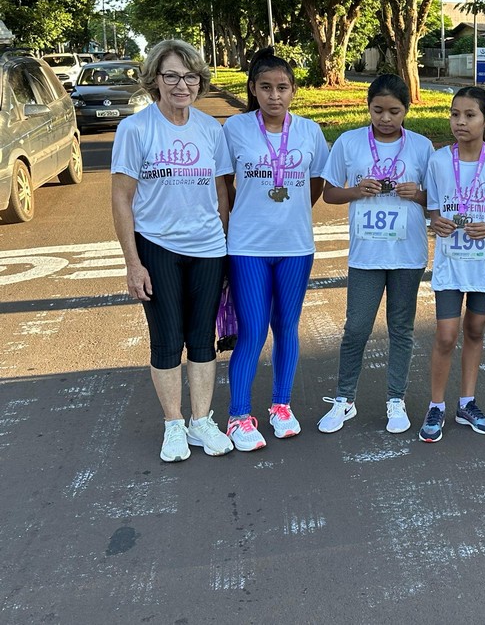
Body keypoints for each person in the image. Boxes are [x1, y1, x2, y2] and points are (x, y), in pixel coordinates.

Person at [110, 39, 234, 462]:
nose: (182, 85)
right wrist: (133, 263)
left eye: (190, 77)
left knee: (203, 338)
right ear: (155, 81)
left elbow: (221, 192)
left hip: (207, 249)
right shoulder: (136, 129)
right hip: (157, 246)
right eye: (172, 76)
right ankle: (173, 426)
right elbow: (122, 198)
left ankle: (201, 421)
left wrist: (221, 240)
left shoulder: (209, 129)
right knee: (166, 340)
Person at [221, 47, 330, 451]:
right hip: (247, 246)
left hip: (296, 246)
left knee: (287, 326)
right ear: (252, 89)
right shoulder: (235, 129)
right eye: (265, 87)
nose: (274, 96)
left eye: (282, 87)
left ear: (293, 91)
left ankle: (280, 406)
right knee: (252, 330)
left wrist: (293, 213)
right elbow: (225, 184)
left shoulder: (309, 132)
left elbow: (316, 182)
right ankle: (238, 415)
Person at [318, 75, 433, 435]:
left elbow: (439, 201)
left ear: (407, 110)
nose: (386, 118)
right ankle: (344, 399)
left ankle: (395, 400)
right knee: (356, 328)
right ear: (367, 107)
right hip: (366, 255)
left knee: (401, 329)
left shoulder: (422, 146)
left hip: (407, 254)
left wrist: (417, 193)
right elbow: (329, 194)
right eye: (378, 110)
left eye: (394, 111)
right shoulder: (349, 143)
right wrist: (356, 191)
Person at [418, 87, 485, 442]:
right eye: (455, 114)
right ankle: (436, 405)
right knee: (446, 335)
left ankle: (467, 402)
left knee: (475, 331)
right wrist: (435, 220)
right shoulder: (439, 160)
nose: (461, 122)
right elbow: (431, 205)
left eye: (470, 115)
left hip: (483, 263)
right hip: (450, 264)